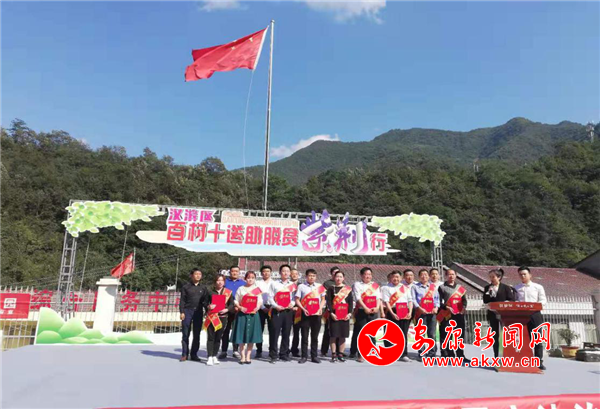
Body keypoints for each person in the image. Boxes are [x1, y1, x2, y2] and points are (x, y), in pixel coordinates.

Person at [514, 266, 547, 370]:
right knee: (523, 339)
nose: (523, 276)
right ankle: (524, 360)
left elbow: (543, 300)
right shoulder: (516, 288)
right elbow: (515, 300)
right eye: (520, 274)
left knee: (537, 338)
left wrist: (534, 306)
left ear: (530, 275)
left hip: (535, 314)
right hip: (522, 315)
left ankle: (538, 361)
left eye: (525, 274)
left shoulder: (538, 287)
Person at [350, 267, 381, 362]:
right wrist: (365, 308)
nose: (368, 276)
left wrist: (377, 307)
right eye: (366, 274)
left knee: (372, 332)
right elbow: (358, 298)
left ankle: (372, 352)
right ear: (361, 275)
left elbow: (378, 298)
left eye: (369, 274)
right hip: (361, 311)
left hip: (373, 311)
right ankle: (360, 354)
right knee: (361, 333)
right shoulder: (357, 284)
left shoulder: (375, 285)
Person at [295, 269, 326, 364]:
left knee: (315, 336)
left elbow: (323, 299)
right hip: (305, 314)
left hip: (316, 314)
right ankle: (304, 356)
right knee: (304, 336)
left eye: (313, 276)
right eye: (310, 275)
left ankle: (314, 356)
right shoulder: (301, 286)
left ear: (316, 277)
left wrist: (320, 308)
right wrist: (303, 309)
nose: (311, 277)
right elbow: (297, 299)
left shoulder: (319, 286)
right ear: (306, 276)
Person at [179, 268, 210, 362]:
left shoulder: (203, 288)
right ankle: (184, 354)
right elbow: (182, 300)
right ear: (191, 275)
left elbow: (205, 301)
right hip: (187, 311)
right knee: (185, 334)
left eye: (199, 274)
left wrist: (207, 310)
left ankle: (194, 354)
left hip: (198, 312)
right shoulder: (186, 287)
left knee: (197, 334)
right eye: (196, 274)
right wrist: (182, 312)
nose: (198, 276)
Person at [268, 264, 297, 363]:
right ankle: (273, 355)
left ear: (290, 273)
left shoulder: (292, 285)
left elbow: (294, 297)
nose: (285, 273)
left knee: (286, 332)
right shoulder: (274, 284)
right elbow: (270, 297)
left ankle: (284, 354)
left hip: (288, 311)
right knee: (274, 333)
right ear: (280, 272)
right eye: (283, 271)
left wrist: (292, 303)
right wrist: (275, 306)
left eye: (287, 271)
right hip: (277, 310)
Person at [232, 271, 263, 364]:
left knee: (251, 336)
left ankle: (248, 356)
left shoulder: (257, 289)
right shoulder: (241, 289)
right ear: (245, 279)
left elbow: (260, 301)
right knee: (241, 335)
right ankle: (242, 356)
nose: (250, 279)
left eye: (252, 278)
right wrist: (240, 307)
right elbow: (236, 300)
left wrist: (257, 307)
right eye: (249, 277)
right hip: (242, 314)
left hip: (253, 314)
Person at [483, 268, 515, 358]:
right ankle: (497, 356)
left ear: (499, 277)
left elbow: (512, 300)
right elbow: (485, 301)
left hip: (504, 315)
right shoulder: (487, 288)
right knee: (495, 336)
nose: (491, 279)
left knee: (505, 335)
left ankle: (507, 356)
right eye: (490, 277)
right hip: (492, 314)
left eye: (493, 277)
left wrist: (505, 303)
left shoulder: (506, 287)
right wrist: (489, 293)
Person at [381, 270, 413, 362]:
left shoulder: (405, 288)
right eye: (394, 277)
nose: (396, 279)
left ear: (401, 278)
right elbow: (387, 302)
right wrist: (392, 313)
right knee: (390, 333)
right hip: (392, 310)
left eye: (397, 277)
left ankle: (403, 354)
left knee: (403, 333)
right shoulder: (386, 288)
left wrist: (410, 312)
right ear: (391, 278)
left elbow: (410, 300)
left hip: (404, 310)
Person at [204, 274, 235, 366]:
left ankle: (214, 355)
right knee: (211, 337)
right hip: (212, 317)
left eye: (222, 280)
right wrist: (209, 306)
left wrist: (227, 309)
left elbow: (232, 304)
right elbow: (205, 302)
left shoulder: (228, 292)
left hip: (223, 317)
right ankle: (209, 356)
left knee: (218, 337)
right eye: (218, 280)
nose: (220, 282)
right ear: (215, 282)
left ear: (224, 282)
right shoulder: (210, 292)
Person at [437, 269, 468, 359]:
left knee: (459, 335)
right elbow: (439, 301)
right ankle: (447, 354)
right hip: (447, 314)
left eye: (453, 274)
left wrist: (464, 308)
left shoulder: (460, 288)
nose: (451, 276)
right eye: (449, 274)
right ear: (446, 276)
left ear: (456, 275)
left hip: (459, 314)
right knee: (447, 335)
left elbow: (464, 300)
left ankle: (460, 354)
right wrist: (446, 307)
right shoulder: (442, 287)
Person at [411, 269, 440, 360]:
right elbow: (413, 299)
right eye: (422, 275)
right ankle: (422, 352)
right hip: (420, 313)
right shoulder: (415, 287)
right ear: (419, 277)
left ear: (429, 276)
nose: (424, 276)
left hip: (432, 313)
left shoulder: (433, 287)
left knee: (432, 334)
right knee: (421, 334)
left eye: (426, 275)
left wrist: (436, 308)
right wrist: (420, 308)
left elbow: (437, 299)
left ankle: (432, 353)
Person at [326, 270, 353, 363]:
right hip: (334, 315)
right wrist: (331, 313)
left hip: (345, 315)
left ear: (343, 278)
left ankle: (340, 354)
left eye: (341, 277)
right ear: (334, 278)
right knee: (333, 335)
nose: (339, 278)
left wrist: (349, 314)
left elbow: (350, 302)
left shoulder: (347, 289)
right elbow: (328, 302)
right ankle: (333, 354)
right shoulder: (331, 289)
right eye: (337, 276)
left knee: (342, 335)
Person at [219, 266, 246, 360]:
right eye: (233, 271)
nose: (234, 273)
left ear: (239, 272)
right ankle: (224, 351)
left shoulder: (243, 283)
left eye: (236, 271)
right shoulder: (225, 282)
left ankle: (235, 350)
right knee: (225, 330)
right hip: (226, 309)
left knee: (236, 330)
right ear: (229, 272)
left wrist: (239, 306)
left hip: (238, 309)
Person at [320, 266, 339, 357]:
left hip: (340, 310)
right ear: (331, 274)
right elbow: (325, 297)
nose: (336, 275)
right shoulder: (327, 283)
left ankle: (338, 351)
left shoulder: (342, 284)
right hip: (329, 310)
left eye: (338, 273)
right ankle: (324, 350)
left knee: (339, 331)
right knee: (328, 330)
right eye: (334, 273)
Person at [255, 265, 273, 359]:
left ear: (271, 272)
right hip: (260, 308)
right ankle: (259, 350)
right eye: (264, 271)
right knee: (259, 330)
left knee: (272, 330)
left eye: (268, 271)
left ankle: (271, 350)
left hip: (272, 308)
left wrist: (272, 306)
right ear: (261, 273)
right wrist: (262, 307)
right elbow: (256, 296)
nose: (266, 273)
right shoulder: (257, 283)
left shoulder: (275, 283)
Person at [290, 268, 302, 357]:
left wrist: (298, 307)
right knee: (286, 331)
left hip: (298, 310)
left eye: (296, 274)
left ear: (298, 275)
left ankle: (294, 350)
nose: (294, 275)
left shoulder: (302, 285)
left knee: (296, 331)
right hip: (287, 310)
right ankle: (285, 349)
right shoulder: (286, 285)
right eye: (292, 273)